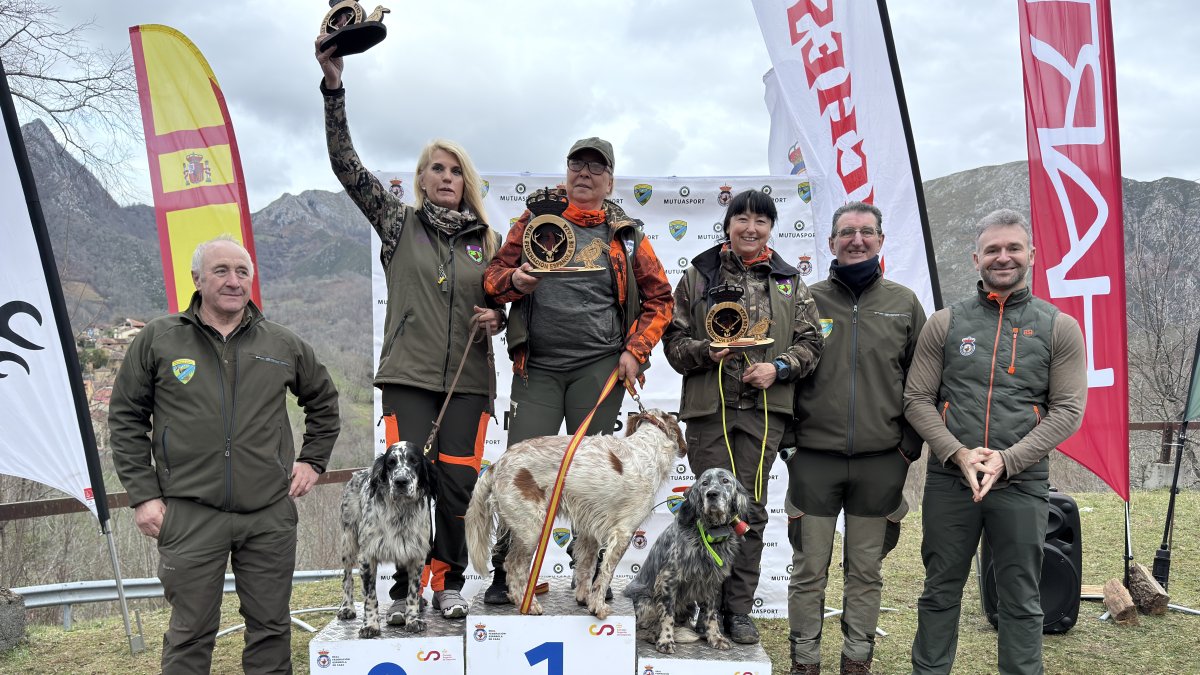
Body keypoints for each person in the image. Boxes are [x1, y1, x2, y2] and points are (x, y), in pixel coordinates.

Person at [316, 39, 505, 622]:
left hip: (469, 382)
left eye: (456, 170)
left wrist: (497, 316)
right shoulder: (398, 224)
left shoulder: (489, 243)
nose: (446, 177)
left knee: (457, 490)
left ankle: (444, 583)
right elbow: (345, 165)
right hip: (408, 378)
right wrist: (333, 88)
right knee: (404, 484)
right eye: (436, 168)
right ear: (421, 179)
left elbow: (508, 307)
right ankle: (404, 591)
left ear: (466, 180)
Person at [109, 236, 341, 674]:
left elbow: (324, 403)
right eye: (221, 271)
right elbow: (125, 419)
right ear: (197, 279)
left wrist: (312, 460)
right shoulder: (160, 338)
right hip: (190, 512)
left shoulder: (281, 343)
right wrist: (142, 495)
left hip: (268, 513)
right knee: (190, 633)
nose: (234, 281)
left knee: (271, 628)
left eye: (242, 272)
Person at [481, 137, 673, 603]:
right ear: (566, 173)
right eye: (576, 165)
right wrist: (514, 281)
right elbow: (492, 279)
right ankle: (506, 578)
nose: (584, 173)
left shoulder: (625, 234)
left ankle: (583, 578)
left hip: (600, 370)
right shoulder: (533, 222)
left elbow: (660, 299)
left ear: (610, 181)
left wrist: (636, 350)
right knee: (523, 470)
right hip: (538, 369)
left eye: (595, 167)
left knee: (593, 481)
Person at [904, 209, 1086, 674]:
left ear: (1031, 255)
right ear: (976, 258)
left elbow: (1068, 410)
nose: (1002, 257)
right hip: (951, 480)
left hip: (1022, 483)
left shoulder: (1058, 326)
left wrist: (1009, 459)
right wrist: (958, 453)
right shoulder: (945, 324)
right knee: (940, 591)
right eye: (992, 250)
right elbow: (917, 398)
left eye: (1012, 248)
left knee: (1022, 598)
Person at [663, 189, 823, 644]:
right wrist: (704, 352)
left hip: (763, 414)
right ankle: (693, 608)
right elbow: (673, 344)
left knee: (747, 511)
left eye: (761, 221)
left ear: (771, 227)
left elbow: (813, 343)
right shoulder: (697, 274)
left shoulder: (790, 280)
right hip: (710, 412)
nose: (751, 228)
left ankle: (736, 611)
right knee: (702, 510)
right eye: (742, 219)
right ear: (728, 224)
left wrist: (780, 367)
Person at [785, 202, 926, 675]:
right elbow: (785, 375)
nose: (857, 239)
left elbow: (924, 381)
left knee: (865, 572)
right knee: (809, 572)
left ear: (881, 241)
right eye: (847, 232)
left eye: (867, 232)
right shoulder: (806, 299)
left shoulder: (904, 303)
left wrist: (908, 448)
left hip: (882, 461)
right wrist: (789, 445)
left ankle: (857, 661)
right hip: (814, 461)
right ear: (831, 243)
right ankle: (804, 662)